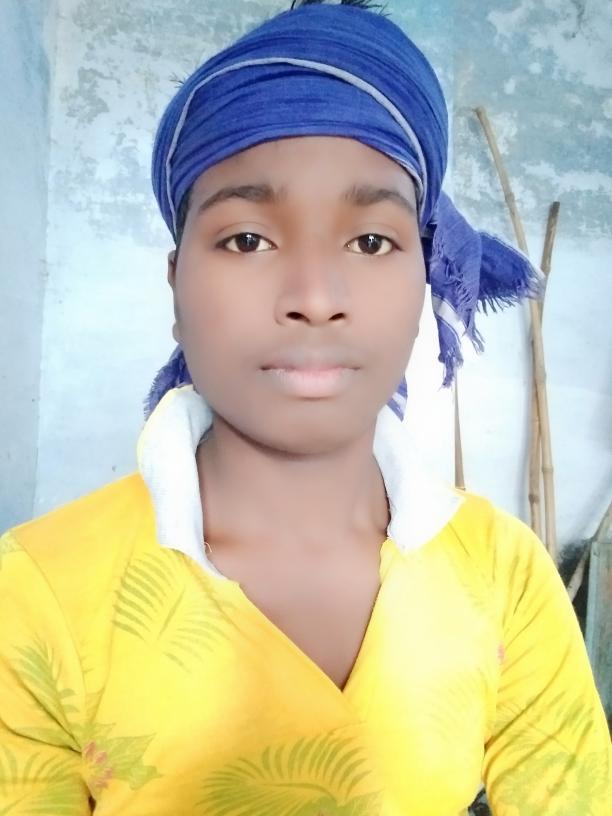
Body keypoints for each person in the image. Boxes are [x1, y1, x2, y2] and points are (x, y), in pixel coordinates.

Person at [1, 1, 610, 814]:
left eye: (371, 241)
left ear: (423, 277)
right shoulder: (34, 593)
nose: (316, 297)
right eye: (247, 239)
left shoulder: (505, 573)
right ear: (176, 285)